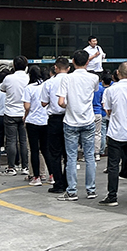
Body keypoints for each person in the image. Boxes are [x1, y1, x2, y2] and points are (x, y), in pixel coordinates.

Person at [57, 50, 101, 202]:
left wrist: (69, 106)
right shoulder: (94, 78)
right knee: (89, 156)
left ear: (73, 62)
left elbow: (61, 102)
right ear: (88, 62)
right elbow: (94, 92)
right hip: (88, 120)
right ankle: (91, 190)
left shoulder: (67, 78)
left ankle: (72, 191)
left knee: (71, 157)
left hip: (70, 121)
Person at [100, 62, 127, 207]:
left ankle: (112, 196)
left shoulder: (111, 90)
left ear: (118, 73)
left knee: (113, 165)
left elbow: (108, 110)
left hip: (116, 131)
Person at [42, 58, 71, 193]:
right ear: (68, 68)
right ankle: (68, 181)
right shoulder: (72, 81)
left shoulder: (48, 83)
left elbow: (43, 102)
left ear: (55, 68)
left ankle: (58, 183)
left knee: (54, 153)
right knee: (69, 153)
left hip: (54, 119)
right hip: (70, 118)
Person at [0, 56, 31, 176]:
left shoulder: (9, 78)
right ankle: (25, 167)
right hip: (25, 113)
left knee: (11, 141)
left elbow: (2, 89)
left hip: (10, 113)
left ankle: (11, 167)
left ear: (13, 66)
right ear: (26, 66)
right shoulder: (28, 78)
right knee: (23, 141)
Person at [24, 66, 51, 186]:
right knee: (46, 149)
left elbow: (27, 107)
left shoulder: (29, 88)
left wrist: (25, 116)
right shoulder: (46, 85)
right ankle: (52, 175)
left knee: (34, 150)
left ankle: (36, 177)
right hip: (45, 120)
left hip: (32, 121)